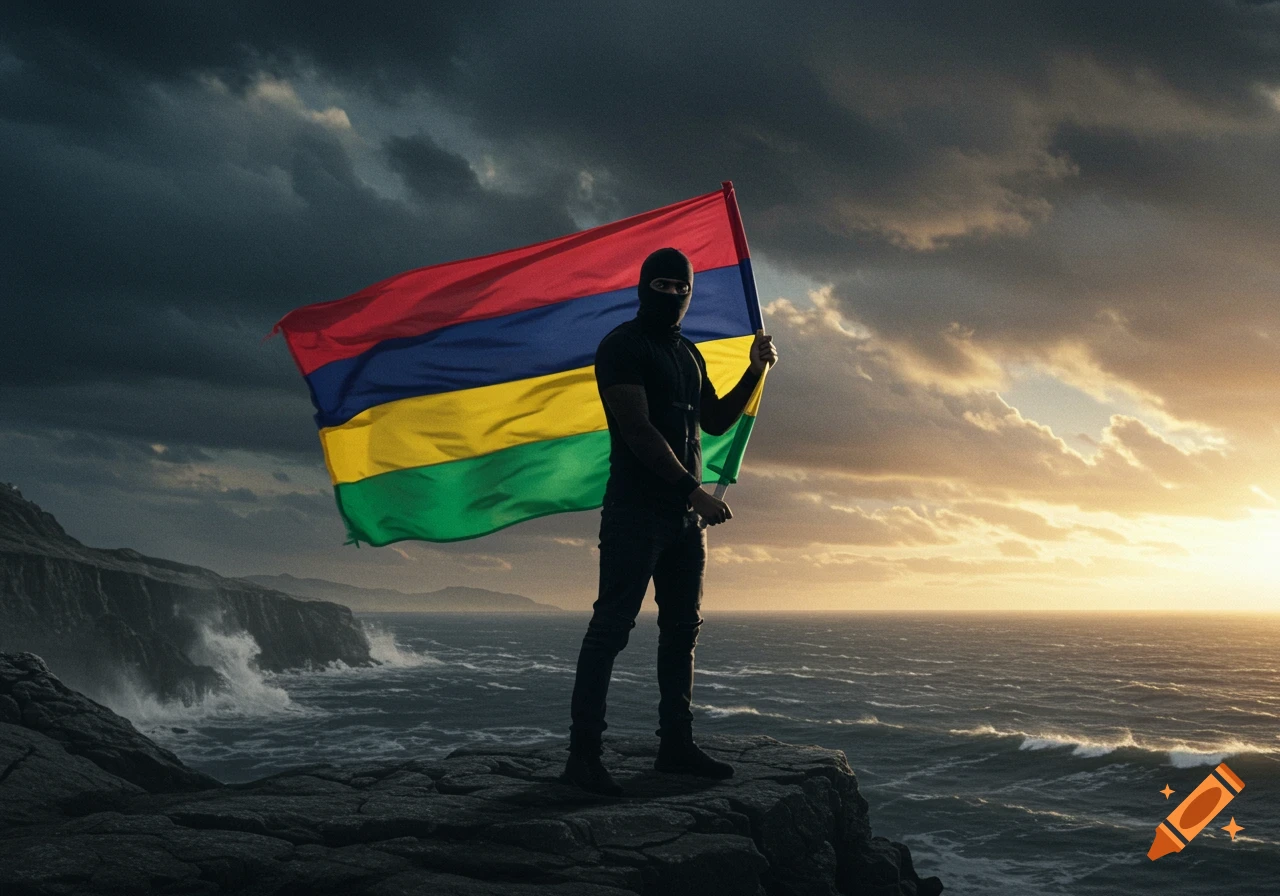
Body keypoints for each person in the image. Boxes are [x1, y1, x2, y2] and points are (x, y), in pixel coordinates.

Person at [561, 246, 779, 796]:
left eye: (682, 289)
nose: (674, 296)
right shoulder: (621, 347)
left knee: (683, 631)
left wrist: (754, 371)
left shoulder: (689, 354)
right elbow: (637, 431)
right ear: (643, 287)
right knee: (610, 629)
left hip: (685, 520)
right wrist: (693, 492)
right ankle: (583, 757)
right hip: (636, 512)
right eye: (662, 286)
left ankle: (675, 747)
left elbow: (716, 419)